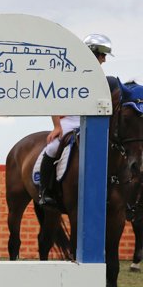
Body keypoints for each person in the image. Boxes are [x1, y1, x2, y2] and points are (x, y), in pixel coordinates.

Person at [39, 33, 112, 208]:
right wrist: (57, 126)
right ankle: (45, 191)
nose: (104, 60)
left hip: (94, 120)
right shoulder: (70, 73)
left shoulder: (100, 78)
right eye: (102, 55)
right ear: (93, 53)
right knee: (53, 147)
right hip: (71, 120)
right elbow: (54, 100)